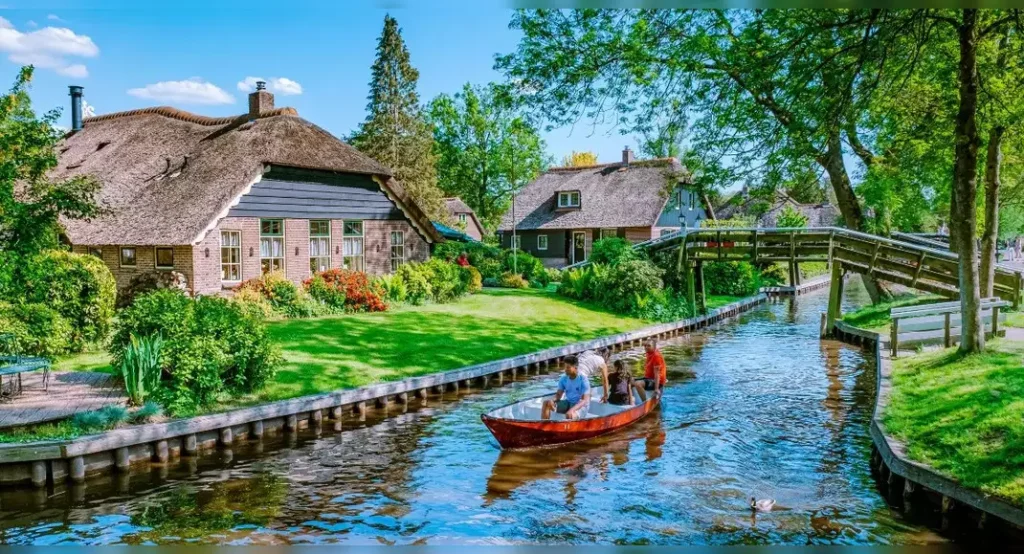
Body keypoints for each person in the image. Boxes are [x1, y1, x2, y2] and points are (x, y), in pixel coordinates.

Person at [542, 355, 591, 420]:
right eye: (565, 367)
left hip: (581, 406)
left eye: (568, 367)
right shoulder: (563, 379)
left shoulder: (583, 379)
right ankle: (545, 426)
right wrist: (552, 400)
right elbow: (558, 395)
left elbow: (584, 400)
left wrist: (572, 410)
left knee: (569, 414)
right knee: (546, 403)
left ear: (575, 368)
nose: (565, 370)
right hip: (568, 402)